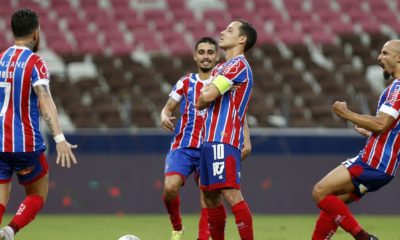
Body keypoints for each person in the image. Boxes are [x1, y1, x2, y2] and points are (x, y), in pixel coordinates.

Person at [311, 40, 400, 240]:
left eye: (385, 53)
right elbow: (391, 131)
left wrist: (346, 113)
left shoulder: (398, 88)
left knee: (319, 191)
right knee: (333, 207)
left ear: (399, 57)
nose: (379, 57)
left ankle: (364, 238)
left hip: (373, 162)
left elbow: (381, 124)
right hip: (385, 167)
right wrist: (372, 134)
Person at [0, 9, 77, 240]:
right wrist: (60, 138)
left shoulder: (1, 59)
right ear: (36, 34)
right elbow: (44, 99)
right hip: (26, 144)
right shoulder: (36, 63)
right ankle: (10, 231)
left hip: (0, 143)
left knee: (1, 198)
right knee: (38, 193)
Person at [196, 19, 257, 240]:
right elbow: (236, 105)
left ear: (242, 39)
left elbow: (205, 97)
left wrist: (207, 93)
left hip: (223, 139)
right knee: (210, 197)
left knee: (231, 194)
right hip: (209, 140)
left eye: (229, 30)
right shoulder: (222, 68)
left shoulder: (238, 65)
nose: (222, 32)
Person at [160, 37, 220, 240]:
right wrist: (164, 116)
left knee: (208, 197)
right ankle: (177, 227)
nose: (205, 56)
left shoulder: (223, 82)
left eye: (210, 52)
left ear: (217, 56)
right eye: (201, 52)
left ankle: (203, 237)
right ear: (195, 56)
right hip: (183, 146)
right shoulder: (186, 82)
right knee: (170, 188)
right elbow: (167, 108)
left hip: (210, 148)